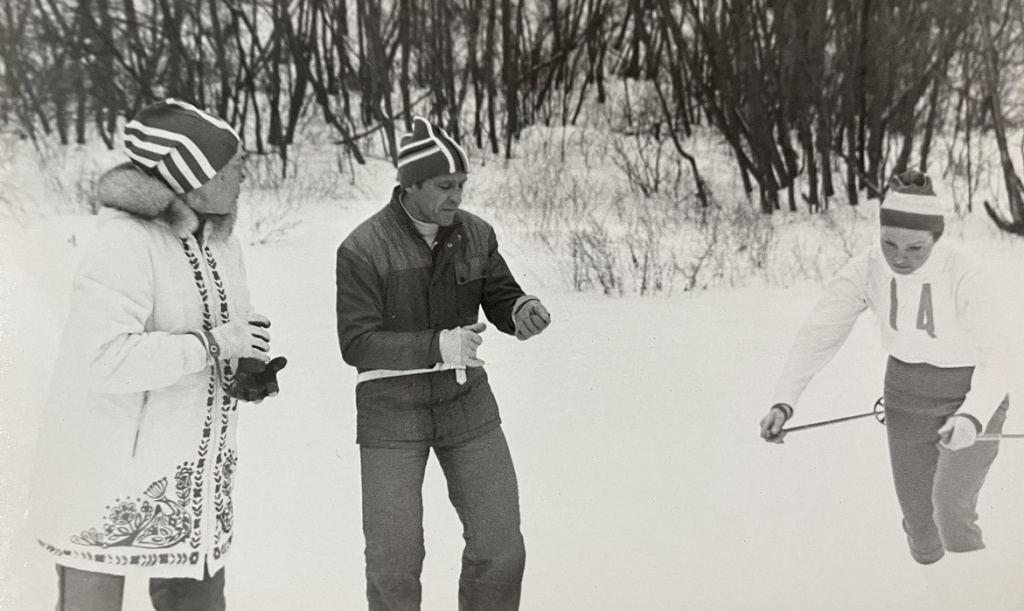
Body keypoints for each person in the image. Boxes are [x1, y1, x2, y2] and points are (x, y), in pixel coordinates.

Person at [30, 99, 287, 610]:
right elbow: (103, 361)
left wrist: (244, 367)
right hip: (107, 482)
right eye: (234, 166)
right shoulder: (124, 242)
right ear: (196, 173)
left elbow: (233, 322)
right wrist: (213, 346)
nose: (244, 177)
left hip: (192, 487)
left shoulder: (220, 241)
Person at [336, 116, 551, 611]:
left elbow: (498, 293)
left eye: (461, 185)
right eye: (443, 186)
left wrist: (518, 310)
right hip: (391, 411)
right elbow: (358, 343)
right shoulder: (363, 248)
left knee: (500, 544)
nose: (456, 196)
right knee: (395, 557)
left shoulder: (476, 234)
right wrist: (439, 346)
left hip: (466, 404)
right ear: (409, 185)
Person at [759, 169, 1010, 565]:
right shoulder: (868, 266)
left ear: (936, 238)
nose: (899, 258)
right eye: (889, 243)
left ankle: (973, 592)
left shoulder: (965, 270)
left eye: (915, 249)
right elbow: (820, 330)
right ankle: (935, 590)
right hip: (905, 395)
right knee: (919, 521)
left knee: (950, 509)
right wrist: (784, 401)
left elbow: (1002, 354)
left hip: (973, 393)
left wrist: (973, 418)